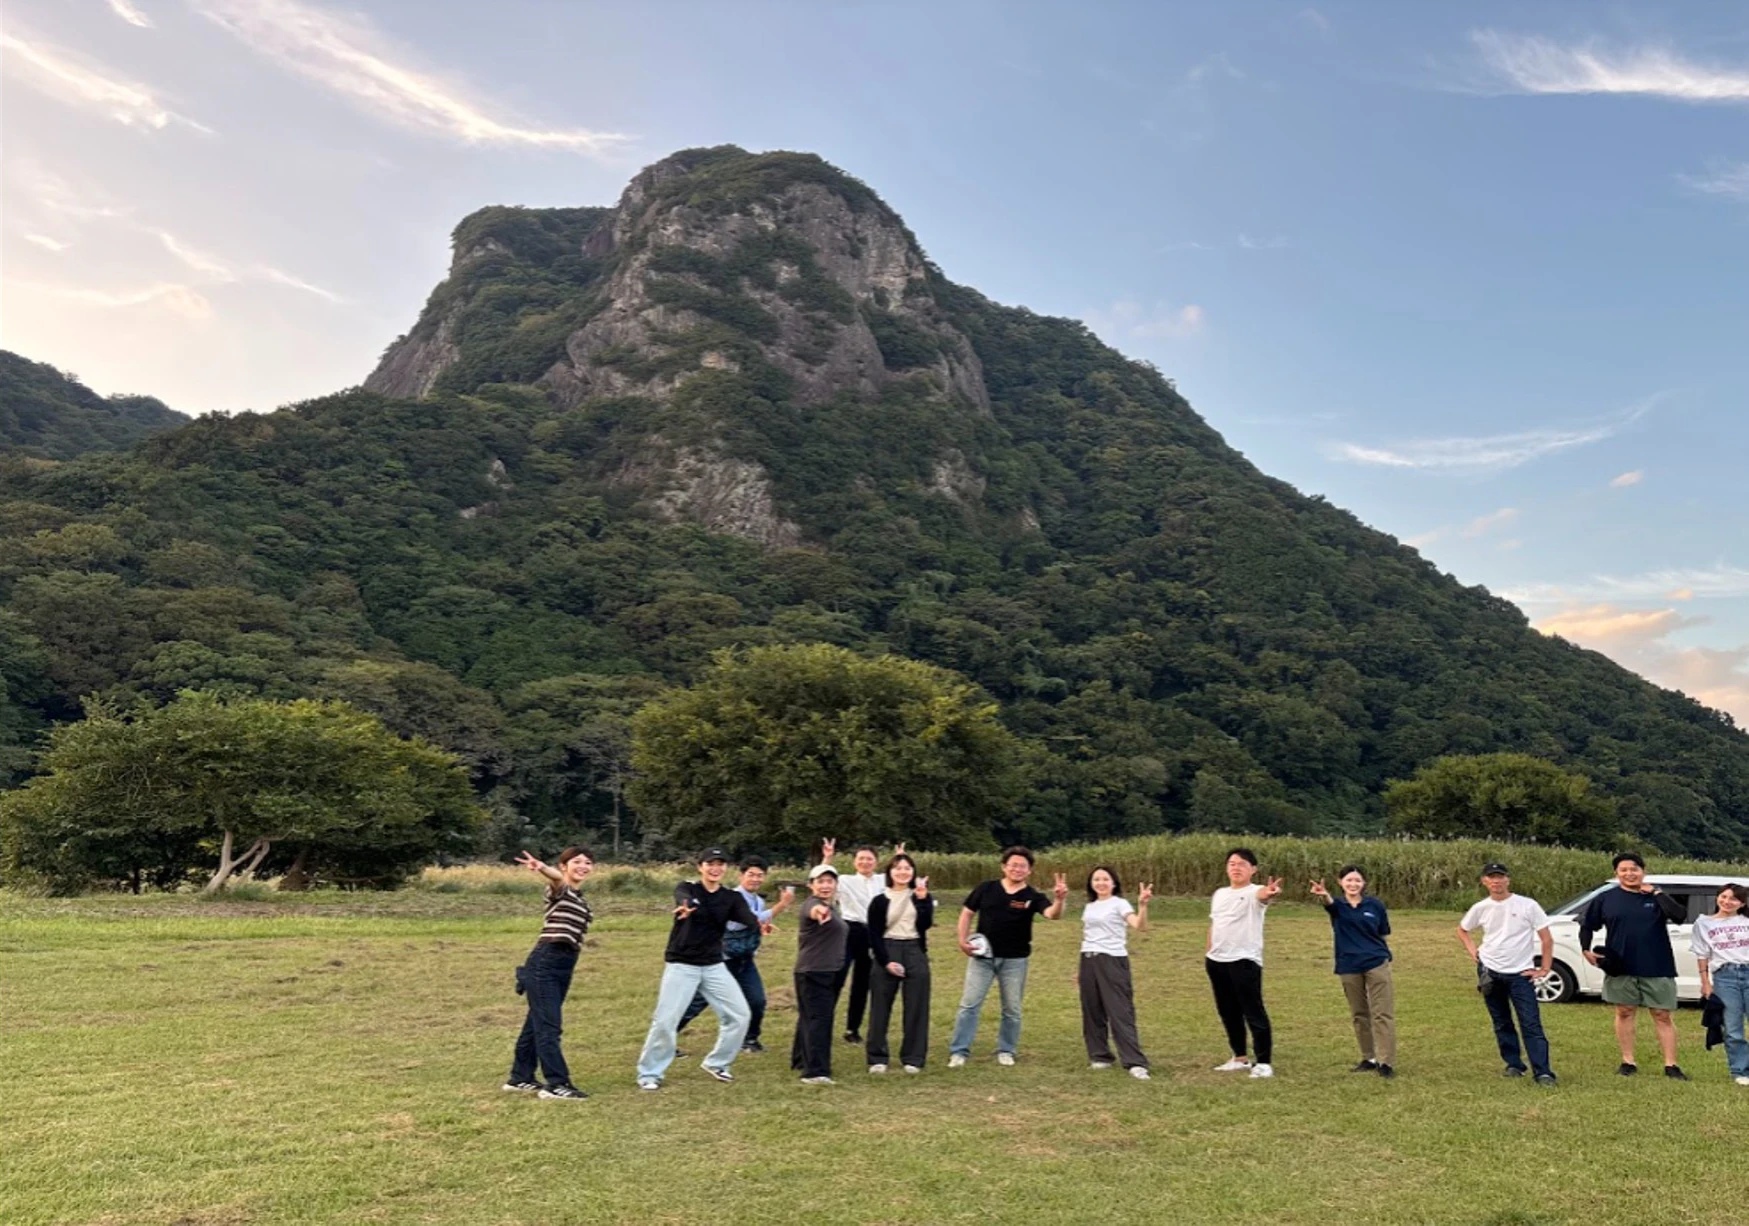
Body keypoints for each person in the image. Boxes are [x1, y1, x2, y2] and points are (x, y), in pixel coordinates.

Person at [634, 849, 767, 1091]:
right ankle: (650, 1073)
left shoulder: (731, 898)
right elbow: (683, 897)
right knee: (666, 1020)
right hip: (682, 964)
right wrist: (686, 907)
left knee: (739, 1015)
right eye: (710, 864)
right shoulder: (688, 888)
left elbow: (747, 917)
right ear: (700, 867)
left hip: (714, 965)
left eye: (720, 864)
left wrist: (759, 926)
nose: (715, 868)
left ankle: (718, 1063)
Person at [947, 847, 1068, 1067]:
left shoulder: (1032, 896)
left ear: (1029, 870)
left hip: (1015, 961)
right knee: (969, 1005)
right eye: (1013, 865)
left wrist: (1059, 899)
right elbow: (967, 913)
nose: (1017, 869)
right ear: (1004, 867)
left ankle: (1006, 1050)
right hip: (982, 957)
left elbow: (1052, 915)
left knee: (1012, 1010)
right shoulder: (986, 888)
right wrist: (962, 940)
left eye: (1023, 866)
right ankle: (959, 1051)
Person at [1577, 852, 1689, 1079]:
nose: (1630, 873)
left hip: (1657, 964)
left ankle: (1671, 1064)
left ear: (1643, 871)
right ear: (1616, 873)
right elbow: (1587, 925)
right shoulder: (1606, 898)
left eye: (1634, 869)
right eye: (1624, 870)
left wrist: (1657, 893)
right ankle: (1628, 1061)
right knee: (1625, 1011)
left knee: (1662, 1014)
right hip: (1620, 965)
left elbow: (1679, 916)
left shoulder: (1656, 896)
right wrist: (1585, 950)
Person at [675, 856, 794, 1053]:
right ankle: (667, 1038)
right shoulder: (732, 897)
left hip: (744, 960)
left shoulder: (758, 900)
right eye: (751, 875)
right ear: (741, 875)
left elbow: (757, 921)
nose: (755, 879)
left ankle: (750, 1040)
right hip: (723, 960)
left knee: (757, 1000)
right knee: (698, 1002)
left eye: (760, 875)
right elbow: (742, 922)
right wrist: (782, 905)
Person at [503, 847, 595, 1100]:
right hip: (547, 959)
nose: (583, 866)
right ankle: (557, 1083)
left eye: (588, 862)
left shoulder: (579, 898)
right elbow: (555, 879)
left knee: (536, 1022)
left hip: (564, 962)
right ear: (563, 866)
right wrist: (542, 867)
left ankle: (520, 1077)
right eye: (577, 861)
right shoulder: (560, 890)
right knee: (549, 1027)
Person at [1456, 862, 1558, 1086]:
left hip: (1521, 973)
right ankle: (1514, 1064)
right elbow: (1463, 929)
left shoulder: (1527, 905)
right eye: (1492, 877)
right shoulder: (1481, 907)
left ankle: (1543, 1072)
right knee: (1501, 1021)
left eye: (1500, 877)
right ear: (1484, 881)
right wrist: (1474, 952)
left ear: (1507, 880)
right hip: (1490, 971)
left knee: (1530, 1023)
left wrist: (1544, 968)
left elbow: (1546, 938)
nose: (1496, 881)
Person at [1310, 865, 1396, 1078]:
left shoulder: (1375, 905)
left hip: (1376, 962)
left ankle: (1385, 1062)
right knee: (1359, 1013)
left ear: (1363, 883)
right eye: (1349, 880)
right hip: (1349, 965)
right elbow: (1328, 903)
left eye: (1357, 880)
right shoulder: (1338, 906)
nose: (1353, 884)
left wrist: (1383, 954)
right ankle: (1369, 1058)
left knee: (1382, 1013)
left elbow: (1383, 932)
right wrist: (1324, 894)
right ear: (1341, 882)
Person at [1206, 848, 1283, 1079]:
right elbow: (1214, 924)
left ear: (1253, 869)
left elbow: (1263, 895)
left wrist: (1270, 892)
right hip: (1217, 960)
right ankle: (1239, 1057)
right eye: (1232, 864)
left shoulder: (1253, 892)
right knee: (1228, 1011)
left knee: (1252, 1010)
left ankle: (1264, 1062)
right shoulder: (1220, 894)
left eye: (1241, 864)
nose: (1236, 868)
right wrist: (1209, 952)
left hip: (1244, 959)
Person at [1078, 866, 1153, 1080]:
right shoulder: (1090, 906)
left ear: (1113, 883)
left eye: (1105, 879)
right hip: (1088, 959)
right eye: (1096, 879)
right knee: (1092, 1010)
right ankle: (1100, 1056)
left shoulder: (1120, 904)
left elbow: (1139, 925)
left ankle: (1135, 1062)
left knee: (1119, 1010)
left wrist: (1142, 906)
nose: (1101, 883)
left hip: (1112, 959)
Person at [865, 852, 934, 1074]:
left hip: (914, 948)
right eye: (898, 868)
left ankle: (913, 1057)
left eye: (907, 868)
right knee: (880, 1006)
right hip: (887, 947)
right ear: (890, 872)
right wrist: (886, 961)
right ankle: (877, 1057)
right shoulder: (879, 900)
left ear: (913, 872)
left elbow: (925, 924)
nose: (902, 872)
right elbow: (874, 934)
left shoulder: (920, 896)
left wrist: (923, 900)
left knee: (917, 1005)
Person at [816, 837, 884, 1043]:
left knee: (862, 983)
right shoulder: (845, 881)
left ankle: (852, 1029)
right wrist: (827, 857)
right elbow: (822, 880)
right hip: (849, 931)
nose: (865, 862)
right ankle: (822, 1025)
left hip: (872, 933)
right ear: (855, 862)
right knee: (837, 977)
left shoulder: (882, 880)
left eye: (869, 859)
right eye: (861, 858)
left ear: (876, 862)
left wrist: (900, 857)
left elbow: (902, 878)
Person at [792, 864, 849, 1085]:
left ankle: (800, 1060)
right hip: (815, 972)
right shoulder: (813, 904)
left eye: (830, 881)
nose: (825, 885)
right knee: (819, 1020)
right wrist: (821, 914)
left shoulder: (829, 905)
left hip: (823, 970)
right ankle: (815, 1072)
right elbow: (815, 911)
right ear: (811, 885)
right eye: (820, 882)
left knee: (809, 1018)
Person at [1692, 882, 1749, 1086]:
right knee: (1732, 1027)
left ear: (1742, 903)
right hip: (1725, 976)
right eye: (1723, 897)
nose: (1727, 901)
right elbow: (1702, 954)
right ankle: (1740, 1070)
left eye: (1733, 898)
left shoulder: (1745, 920)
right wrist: (1705, 982)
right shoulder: (1704, 923)